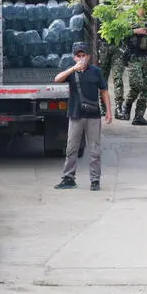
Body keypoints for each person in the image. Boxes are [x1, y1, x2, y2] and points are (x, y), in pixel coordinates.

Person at [53, 42, 112, 192]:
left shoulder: (96, 72)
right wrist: (73, 69)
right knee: (71, 148)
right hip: (75, 114)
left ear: (89, 56)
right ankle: (68, 178)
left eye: (83, 55)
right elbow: (57, 79)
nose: (81, 58)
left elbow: (104, 91)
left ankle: (95, 180)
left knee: (94, 149)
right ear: (74, 57)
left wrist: (109, 112)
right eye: (78, 56)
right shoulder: (71, 72)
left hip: (93, 116)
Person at [119, 6, 147, 126]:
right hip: (134, 58)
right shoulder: (129, 22)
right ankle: (127, 105)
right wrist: (135, 31)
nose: (144, 11)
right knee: (137, 85)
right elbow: (119, 34)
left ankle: (139, 116)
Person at [97, 0, 126, 119]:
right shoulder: (100, 9)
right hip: (103, 47)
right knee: (102, 79)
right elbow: (94, 30)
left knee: (118, 78)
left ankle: (119, 107)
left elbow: (126, 29)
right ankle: (102, 106)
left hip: (117, 47)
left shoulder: (120, 10)